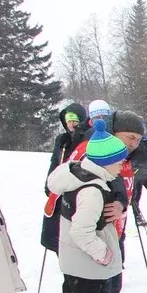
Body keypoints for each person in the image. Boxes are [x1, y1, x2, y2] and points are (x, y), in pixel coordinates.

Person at [22, 121, 138, 293]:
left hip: (74, 259)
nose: (122, 167)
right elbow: (81, 231)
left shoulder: (76, 173)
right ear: (106, 162)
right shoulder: (92, 191)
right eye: (119, 162)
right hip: (86, 261)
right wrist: (103, 254)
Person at [55, 109, 144, 293]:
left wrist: (121, 204)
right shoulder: (92, 152)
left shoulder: (117, 155)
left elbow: (118, 187)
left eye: (138, 139)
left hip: (111, 231)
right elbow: (78, 191)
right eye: (130, 137)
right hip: (87, 237)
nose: (133, 144)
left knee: (107, 290)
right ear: (115, 133)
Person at [41, 101, 89, 252]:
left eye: (75, 120)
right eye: (68, 121)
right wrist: (49, 184)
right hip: (59, 189)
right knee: (55, 229)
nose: (71, 124)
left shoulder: (87, 137)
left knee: (72, 226)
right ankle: (59, 249)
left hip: (77, 187)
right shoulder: (62, 140)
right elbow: (54, 163)